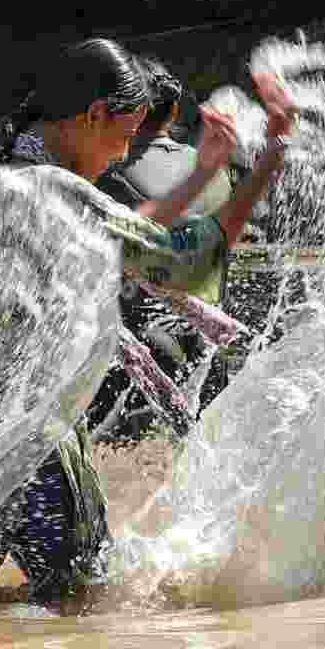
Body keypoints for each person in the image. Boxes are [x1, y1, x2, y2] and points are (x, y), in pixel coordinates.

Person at [0, 38, 294, 608]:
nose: (121, 156)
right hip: (36, 447)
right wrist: (266, 163)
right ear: (92, 116)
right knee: (86, 612)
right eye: (122, 137)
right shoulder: (48, 188)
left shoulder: (13, 172)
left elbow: (121, 240)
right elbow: (180, 261)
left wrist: (204, 171)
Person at [90, 58, 236, 438]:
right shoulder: (214, 169)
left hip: (140, 362)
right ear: (175, 110)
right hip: (210, 350)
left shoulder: (109, 176)